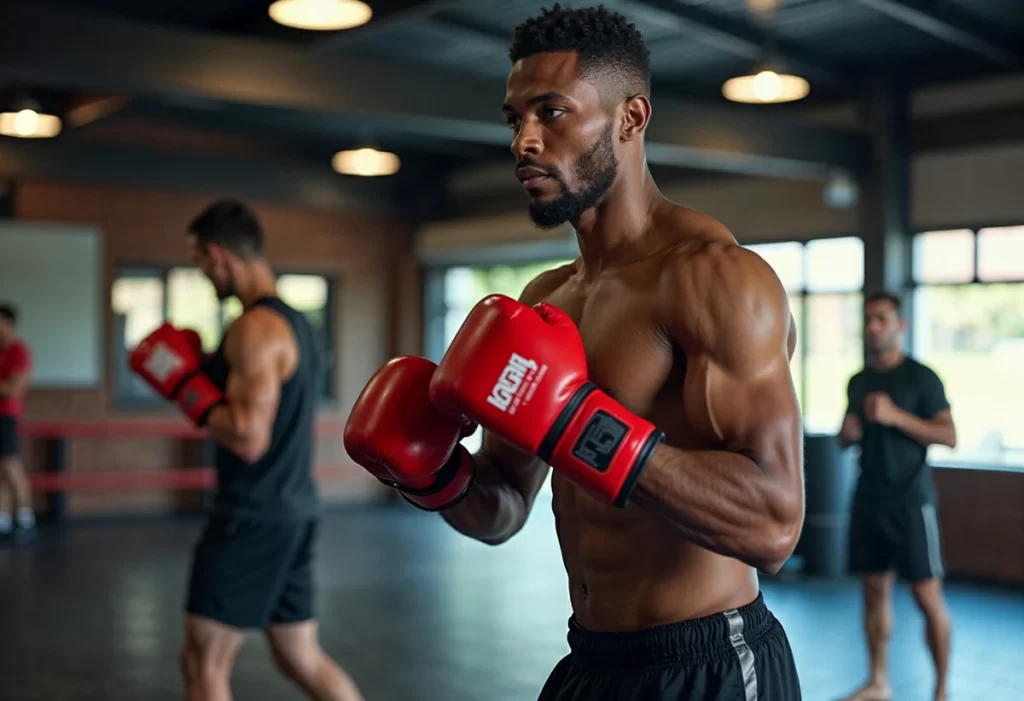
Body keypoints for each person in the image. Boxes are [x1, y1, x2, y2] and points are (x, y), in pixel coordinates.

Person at [344, 6, 805, 700]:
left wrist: (575, 425)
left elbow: (775, 523)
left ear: (630, 118)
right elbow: (501, 508)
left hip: (709, 664)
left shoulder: (715, 277)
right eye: (514, 119)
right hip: (589, 660)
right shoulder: (546, 299)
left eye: (552, 112)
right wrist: (432, 473)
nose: (524, 140)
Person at [129, 200, 363, 701]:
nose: (201, 273)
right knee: (300, 656)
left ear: (218, 255)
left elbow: (247, 435)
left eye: (197, 262)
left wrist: (185, 388)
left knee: (202, 663)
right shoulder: (298, 325)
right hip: (293, 509)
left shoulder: (253, 329)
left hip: (250, 515)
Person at [837, 291, 957, 701]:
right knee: (873, 591)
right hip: (869, 499)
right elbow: (844, 435)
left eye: (882, 319)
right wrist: (846, 434)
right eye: (868, 319)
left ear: (900, 325)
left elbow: (949, 435)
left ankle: (941, 691)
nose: (873, 327)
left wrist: (895, 416)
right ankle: (878, 681)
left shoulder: (921, 378)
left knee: (926, 597)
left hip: (911, 502)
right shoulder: (858, 381)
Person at [0, 302, 36, 546]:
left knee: (11, 466)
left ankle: (25, 517)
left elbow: (14, 389)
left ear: (7, 323)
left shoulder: (19, 351)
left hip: (7, 416)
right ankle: (3, 517)